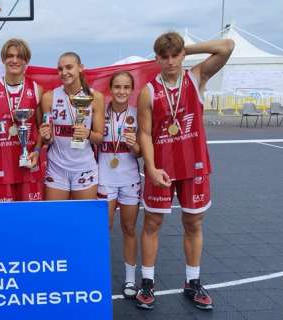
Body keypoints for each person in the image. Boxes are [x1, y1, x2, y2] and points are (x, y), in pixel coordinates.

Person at [135, 32, 234, 310]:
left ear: (181, 56)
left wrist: (186, 49)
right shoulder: (148, 91)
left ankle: (192, 282)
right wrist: (151, 169)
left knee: (193, 223)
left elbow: (227, 46)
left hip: (195, 165)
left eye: (174, 55)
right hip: (161, 169)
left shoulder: (196, 77)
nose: (170, 62)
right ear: (156, 59)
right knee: (152, 223)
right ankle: (147, 282)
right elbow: (144, 134)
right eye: (164, 56)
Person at [0, 38, 44, 202]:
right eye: (10, 56)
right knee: (3, 222)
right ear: (3, 59)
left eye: (19, 56)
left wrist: (36, 151)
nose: (14, 60)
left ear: (26, 60)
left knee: (30, 220)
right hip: (1, 169)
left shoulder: (37, 89)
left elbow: (41, 130)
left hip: (29, 167)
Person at [97, 71, 141, 299]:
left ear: (131, 90)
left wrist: (134, 146)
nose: (121, 92)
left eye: (126, 87)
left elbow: (142, 152)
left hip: (130, 179)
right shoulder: (99, 111)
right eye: (117, 87)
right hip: (104, 178)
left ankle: (130, 279)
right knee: (103, 230)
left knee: (129, 229)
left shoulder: (137, 114)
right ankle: (98, 276)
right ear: (110, 89)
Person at [39, 52, 104, 200]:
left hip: (84, 167)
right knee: (57, 219)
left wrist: (87, 134)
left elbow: (99, 138)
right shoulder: (49, 97)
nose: (64, 72)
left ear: (80, 68)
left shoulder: (96, 97)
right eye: (60, 69)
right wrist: (46, 137)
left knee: (82, 218)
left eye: (69, 67)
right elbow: (48, 140)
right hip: (57, 167)